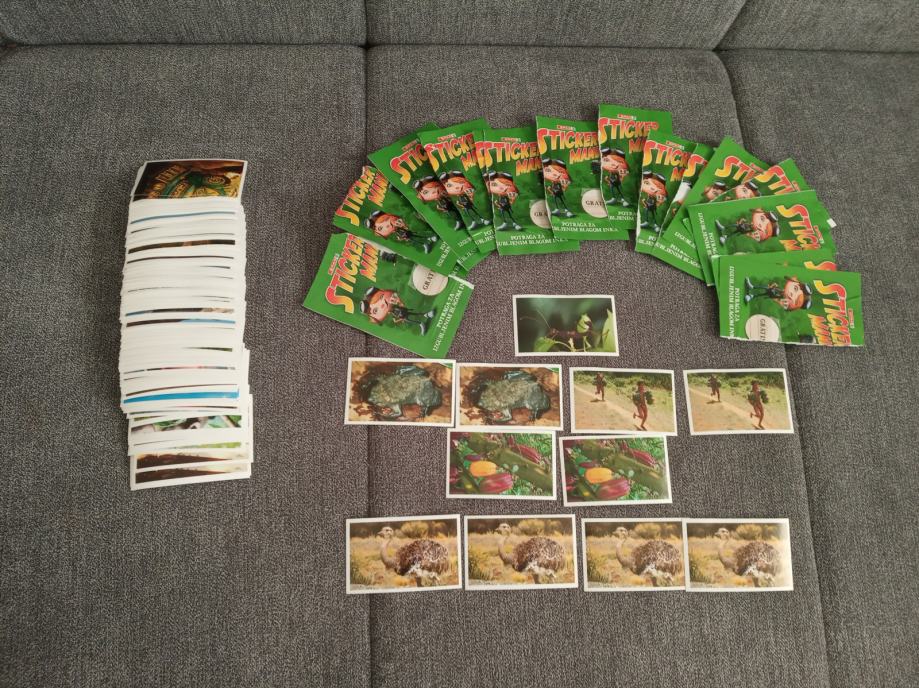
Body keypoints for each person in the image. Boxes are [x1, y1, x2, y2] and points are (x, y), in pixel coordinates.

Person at [360, 287, 436, 335]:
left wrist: (400, 302)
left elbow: (396, 299)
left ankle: (427, 314)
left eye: (381, 297)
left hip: (401, 310)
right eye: (375, 310)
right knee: (408, 319)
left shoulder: (393, 301)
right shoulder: (389, 315)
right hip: (399, 314)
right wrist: (398, 319)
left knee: (412, 313)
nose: (382, 305)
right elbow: (394, 319)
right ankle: (421, 323)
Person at [366, 210, 437, 253]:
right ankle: (425, 243)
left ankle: (430, 236)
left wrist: (401, 224)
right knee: (410, 237)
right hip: (398, 231)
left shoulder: (385, 218)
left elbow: (393, 218)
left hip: (402, 223)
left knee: (414, 231)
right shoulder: (378, 230)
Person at [743, 276, 812, 311]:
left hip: (776, 296)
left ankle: (751, 296)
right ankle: (752, 287)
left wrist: (777, 300)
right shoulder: (795, 289)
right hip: (776, 291)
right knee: (767, 289)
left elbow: (785, 304)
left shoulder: (793, 303)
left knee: (765, 293)